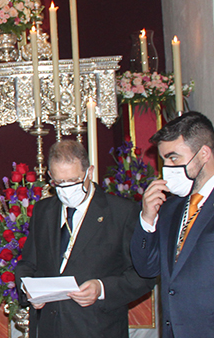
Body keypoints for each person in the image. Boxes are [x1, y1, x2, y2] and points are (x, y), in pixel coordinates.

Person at [15, 141, 153, 338]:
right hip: (50, 328)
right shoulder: (43, 210)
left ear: (90, 172)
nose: (66, 189)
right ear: (50, 176)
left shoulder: (122, 212)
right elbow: (28, 263)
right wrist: (28, 289)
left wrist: (102, 288)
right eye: (59, 183)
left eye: (73, 180)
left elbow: (143, 275)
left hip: (97, 328)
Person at [130, 111, 214, 338]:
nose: (167, 167)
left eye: (174, 158)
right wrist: (147, 219)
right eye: (164, 160)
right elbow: (147, 268)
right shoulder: (172, 207)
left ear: (203, 153)